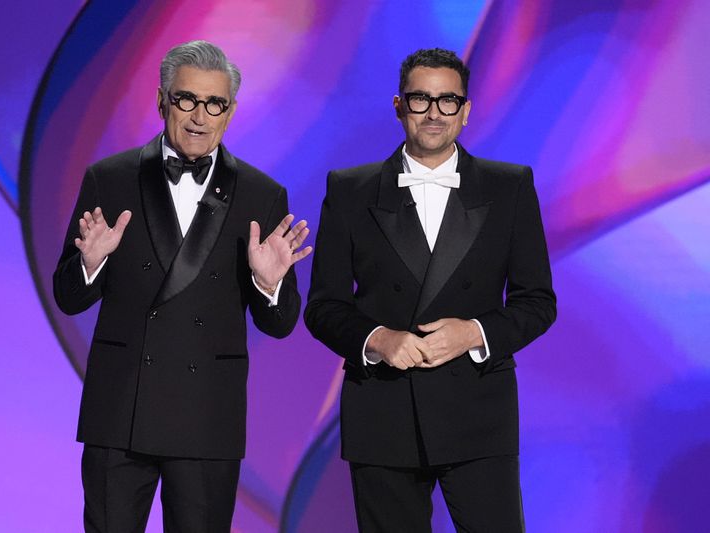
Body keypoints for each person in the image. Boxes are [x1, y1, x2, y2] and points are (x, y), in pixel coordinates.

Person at [53, 40, 311, 533]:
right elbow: (69, 297)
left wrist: (269, 285)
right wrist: (89, 265)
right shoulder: (110, 179)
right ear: (162, 101)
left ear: (230, 112)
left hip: (207, 417)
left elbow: (279, 325)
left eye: (214, 104)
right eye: (186, 100)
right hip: (120, 410)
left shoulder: (262, 194)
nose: (199, 117)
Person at [304, 48, 556, 532]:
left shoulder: (510, 188)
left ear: (466, 110)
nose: (434, 113)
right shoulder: (350, 190)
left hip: (479, 414)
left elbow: (538, 302)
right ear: (399, 106)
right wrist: (378, 339)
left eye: (447, 101)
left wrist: (475, 333)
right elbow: (324, 306)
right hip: (383, 412)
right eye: (421, 100)